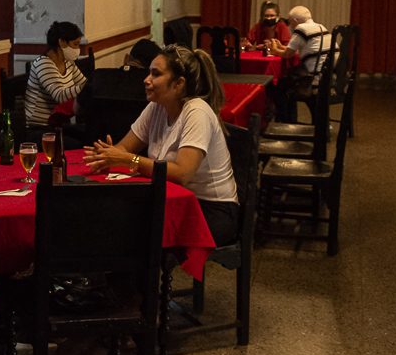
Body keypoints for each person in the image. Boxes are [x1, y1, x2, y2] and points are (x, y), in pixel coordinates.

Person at [82, 45, 239, 246]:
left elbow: (182, 174)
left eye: (155, 74)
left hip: (210, 208)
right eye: (149, 72)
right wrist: (108, 154)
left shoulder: (197, 112)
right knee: (116, 220)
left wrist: (127, 160)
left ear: (178, 83)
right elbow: (124, 148)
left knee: (135, 232)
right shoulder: (157, 106)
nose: (146, 80)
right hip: (171, 199)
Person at [24, 21, 87, 146]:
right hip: (38, 128)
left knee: (92, 137)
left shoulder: (68, 63)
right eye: (75, 44)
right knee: (78, 146)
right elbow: (59, 95)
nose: (77, 49)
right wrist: (88, 87)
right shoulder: (43, 64)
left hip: (57, 126)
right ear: (62, 42)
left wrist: (91, 85)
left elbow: (84, 83)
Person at [265, 5, 331, 122]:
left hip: (312, 80)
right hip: (328, 77)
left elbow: (288, 54)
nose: (291, 26)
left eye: (291, 23)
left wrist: (274, 49)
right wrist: (281, 47)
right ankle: (292, 120)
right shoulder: (321, 27)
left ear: (295, 21)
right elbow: (297, 50)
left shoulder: (301, 29)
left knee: (280, 85)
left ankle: (285, 121)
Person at [75, 37, 162, 117]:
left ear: (126, 58)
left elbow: (76, 109)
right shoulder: (152, 87)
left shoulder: (97, 76)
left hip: (97, 129)